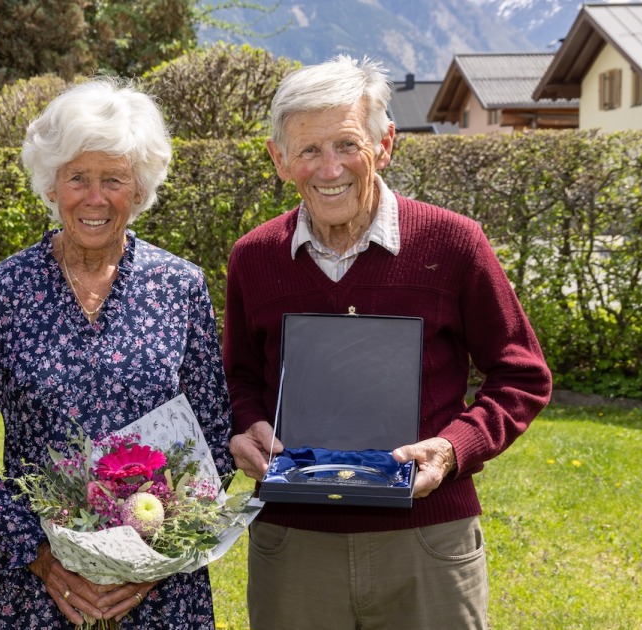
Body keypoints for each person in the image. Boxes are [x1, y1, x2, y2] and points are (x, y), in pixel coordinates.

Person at [224, 55, 552, 629]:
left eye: (347, 144)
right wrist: (249, 425)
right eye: (308, 150)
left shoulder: (454, 244)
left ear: (385, 144)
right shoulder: (254, 258)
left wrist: (453, 449)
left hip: (427, 535)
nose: (330, 168)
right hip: (294, 542)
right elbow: (241, 377)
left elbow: (522, 375)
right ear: (279, 159)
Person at [0, 78, 234, 629]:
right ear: (51, 185)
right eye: (77, 177)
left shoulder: (180, 286)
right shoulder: (4, 291)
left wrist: (152, 562)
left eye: (114, 179)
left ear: (139, 189)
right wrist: (42, 559)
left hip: (161, 592)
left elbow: (215, 440)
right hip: (39, 592)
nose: (94, 198)